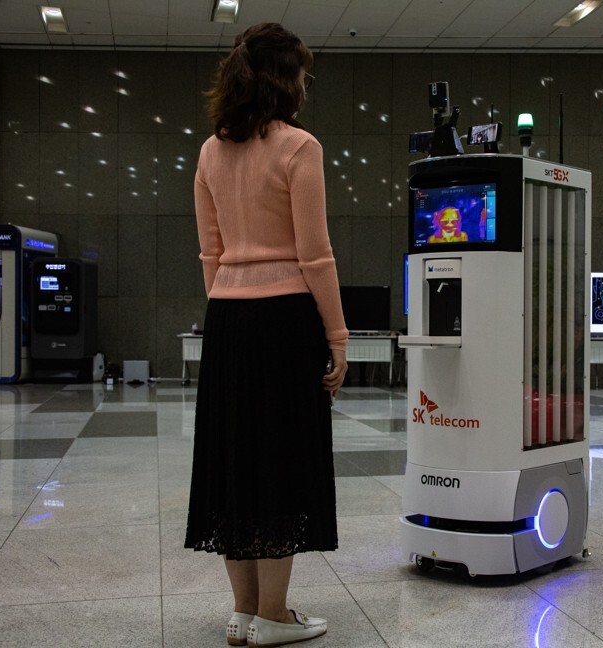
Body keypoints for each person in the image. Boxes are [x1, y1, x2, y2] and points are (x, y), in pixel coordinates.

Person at [184, 23, 348, 648]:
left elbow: (210, 251)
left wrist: (229, 307)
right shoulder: (299, 148)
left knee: (235, 455)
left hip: (227, 319)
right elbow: (316, 255)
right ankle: (274, 616)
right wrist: (337, 335)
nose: (305, 85)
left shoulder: (209, 152)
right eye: (302, 74)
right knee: (281, 455)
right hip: (285, 319)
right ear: (285, 79)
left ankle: (243, 611)